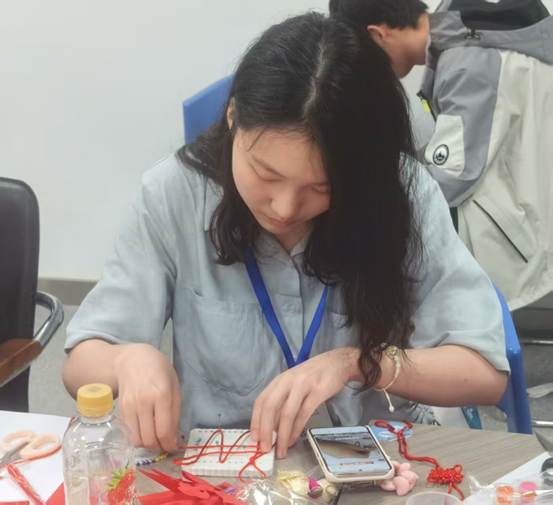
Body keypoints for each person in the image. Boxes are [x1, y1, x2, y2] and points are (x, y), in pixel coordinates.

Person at [63, 12, 508, 460]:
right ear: (233, 118)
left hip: (372, 464)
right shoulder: (174, 194)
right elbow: (80, 362)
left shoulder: (401, 194)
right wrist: (127, 360)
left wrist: (358, 363)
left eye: (322, 188)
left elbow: (483, 372)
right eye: (265, 174)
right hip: (224, 471)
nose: (285, 208)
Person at [329, 0, 553, 311]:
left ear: (377, 35)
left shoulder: (467, 61)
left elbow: (452, 177)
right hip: (527, 216)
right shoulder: (465, 32)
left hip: (513, 247)